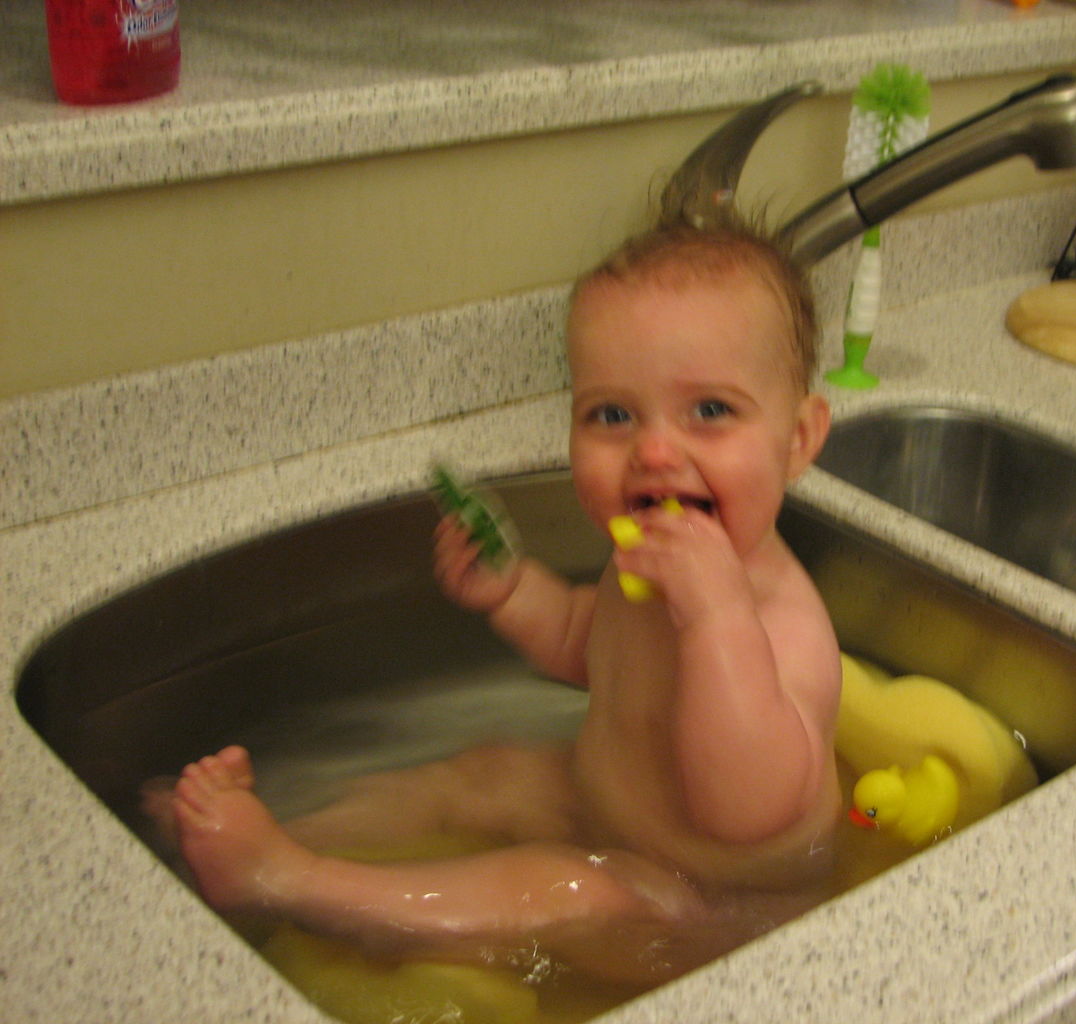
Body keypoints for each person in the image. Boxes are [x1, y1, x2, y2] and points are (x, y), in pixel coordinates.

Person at [167, 209, 842, 987]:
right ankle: (280, 830)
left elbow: (741, 807)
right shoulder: (653, 563)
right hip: (605, 810)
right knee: (486, 772)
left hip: (710, 914)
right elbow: (587, 643)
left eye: (711, 411)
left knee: (566, 888)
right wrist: (514, 592)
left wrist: (717, 617)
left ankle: (284, 877)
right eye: (612, 415)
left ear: (796, 441)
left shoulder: (783, 626)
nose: (654, 452)